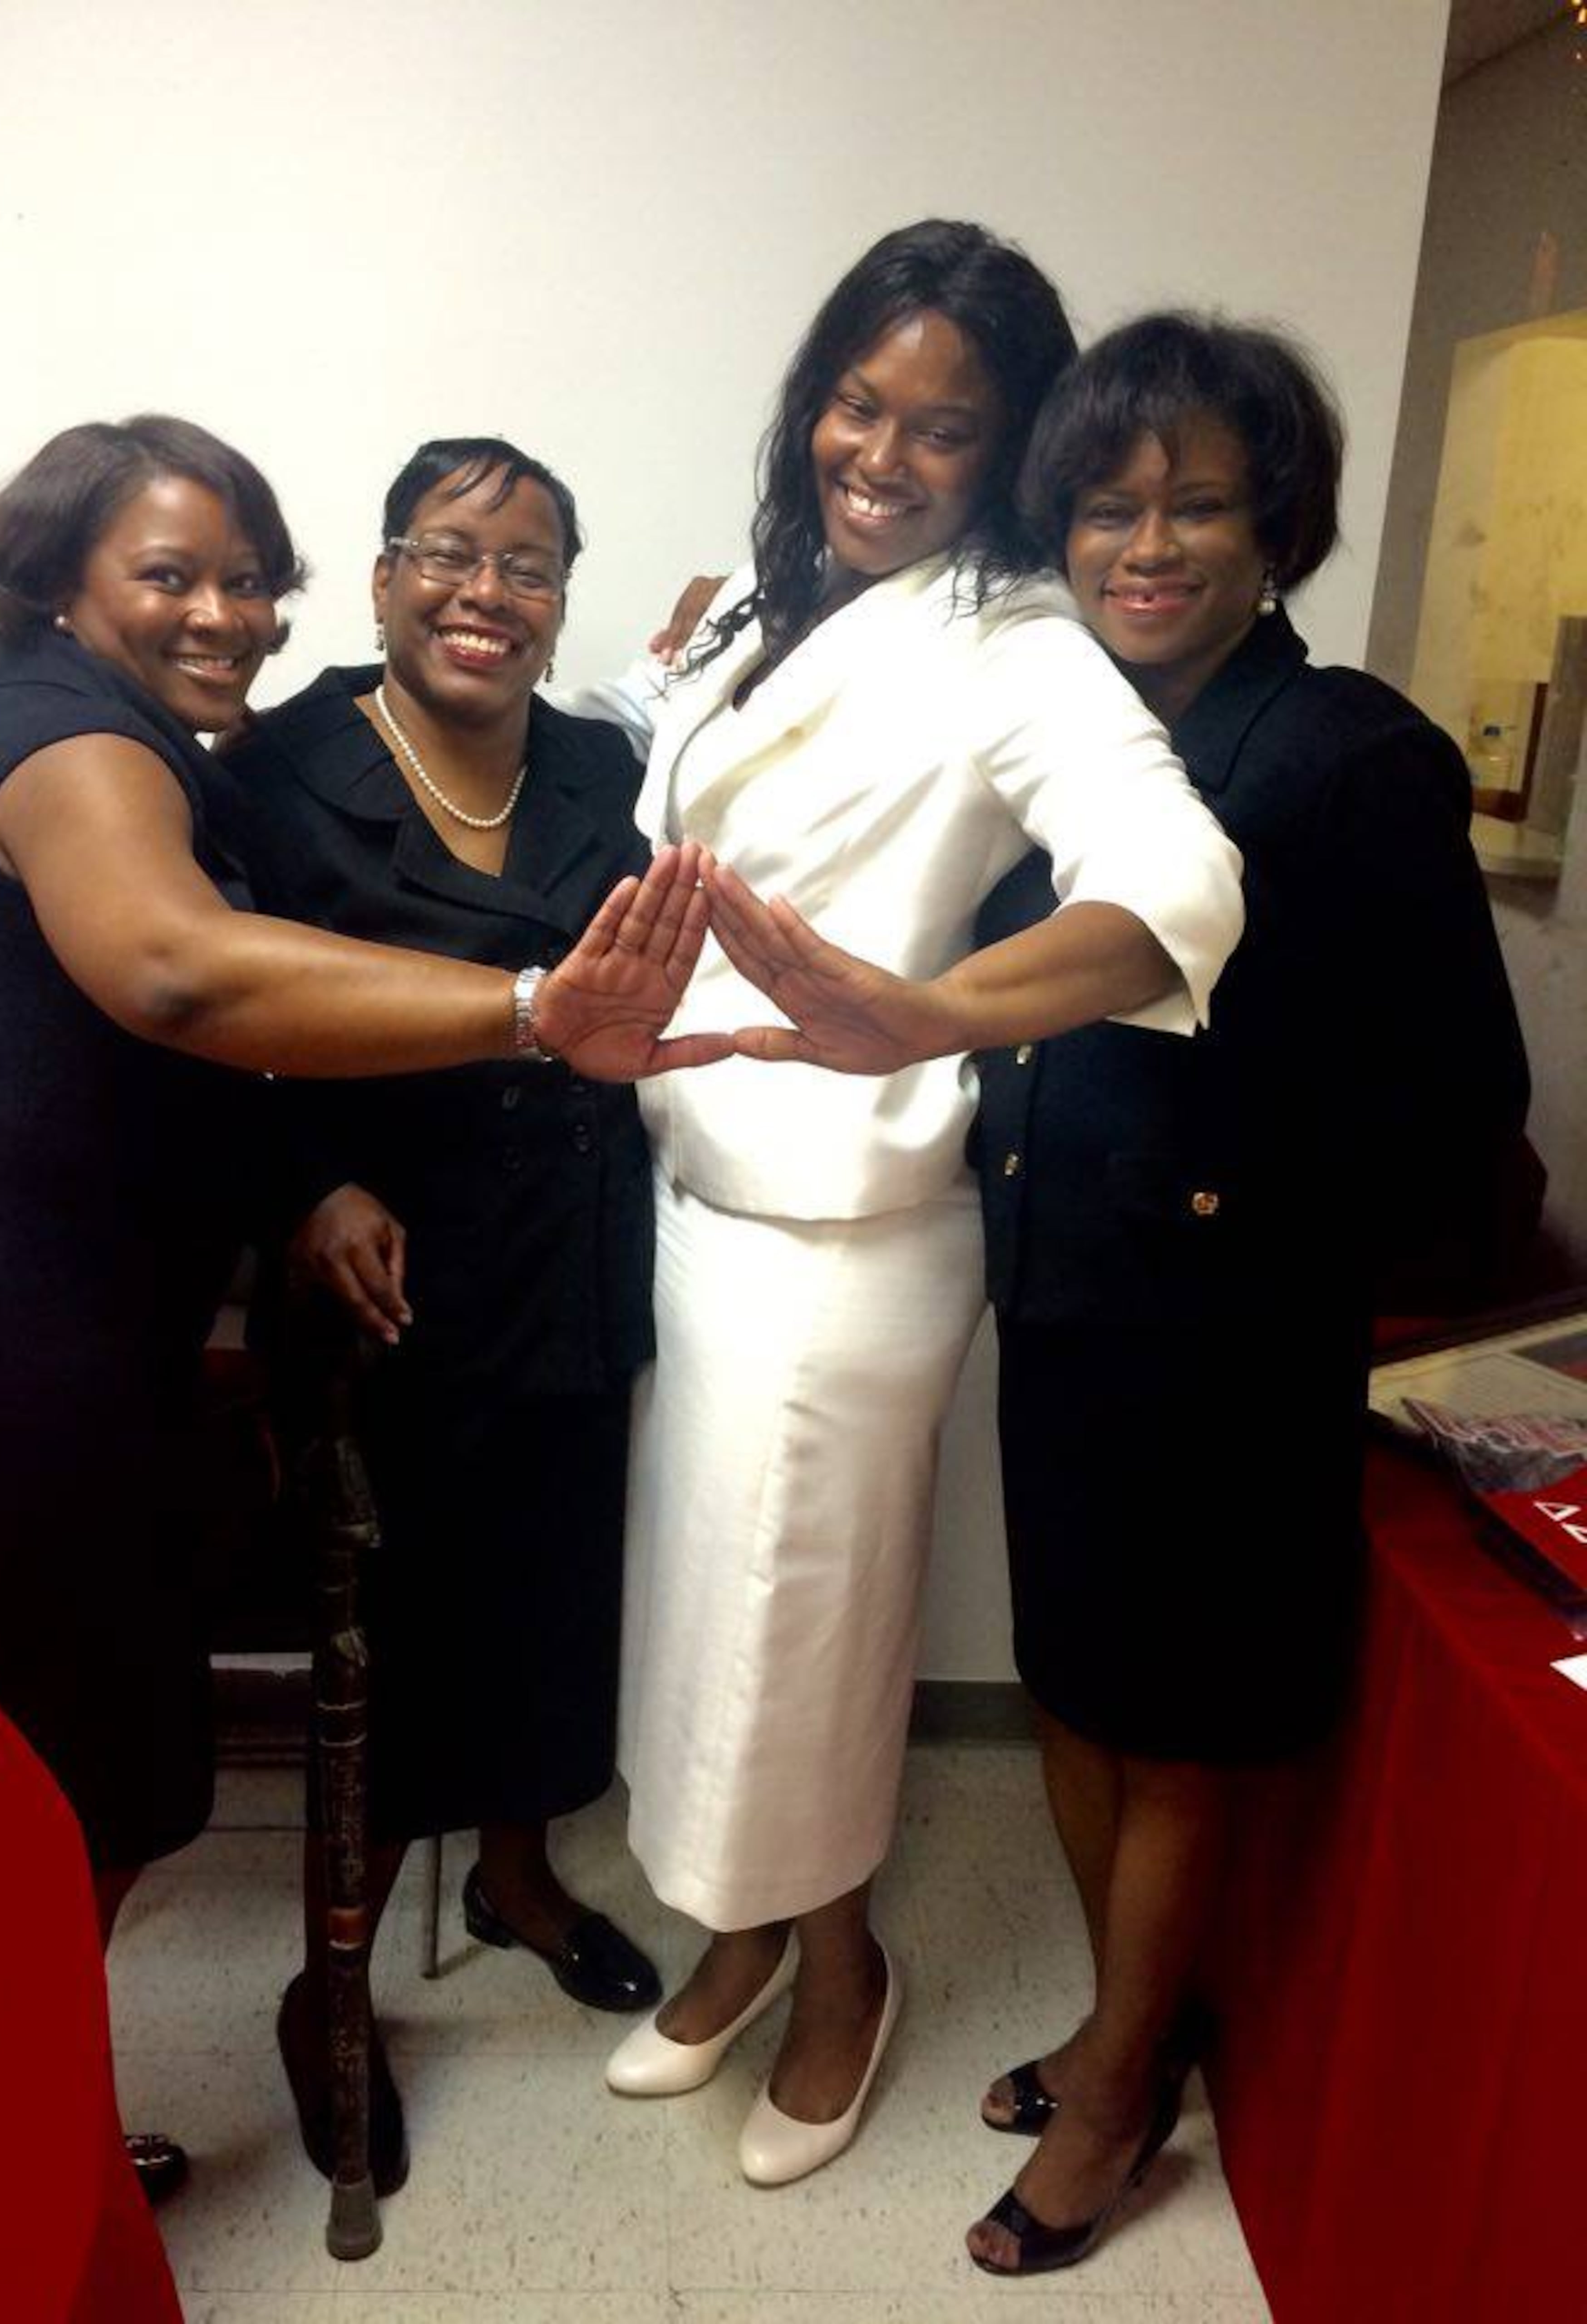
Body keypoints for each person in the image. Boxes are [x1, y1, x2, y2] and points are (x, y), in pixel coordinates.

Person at [0, 415, 724, 2194]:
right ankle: (2, 2163)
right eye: (170, 573)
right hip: (18, 1352)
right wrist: (528, 1009)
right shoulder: (86, 749)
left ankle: (28, 2138)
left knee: (76, 1791)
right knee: (48, 1801)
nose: (225, 613)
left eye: (247, 576)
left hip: (108, 1337)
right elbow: (179, 970)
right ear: (58, 580)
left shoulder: (105, 727)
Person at [592, 220, 1244, 2188]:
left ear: (1009, 449)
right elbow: (696, 783)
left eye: (941, 429)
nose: (878, 452)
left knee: (800, 1634)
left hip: (849, 1238)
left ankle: (844, 1968)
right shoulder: (764, 610)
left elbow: (1176, 879)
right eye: (856, 404)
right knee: (706, 1618)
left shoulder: (1019, 645)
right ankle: (737, 1934)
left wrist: (931, 1007)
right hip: (700, 1205)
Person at [960, 314, 1529, 2275]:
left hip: (1220, 1333)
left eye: (1200, 501)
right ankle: (1142, 2016)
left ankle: (1122, 2095)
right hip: (1056, 1298)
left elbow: (1463, 1098)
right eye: (1112, 504)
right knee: (1071, 1686)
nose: (1151, 541)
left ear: (1275, 524)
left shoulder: (1350, 750)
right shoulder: (1060, 728)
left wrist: (1251, 1219)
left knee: (1181, 1726)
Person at [206, 436, 664, 2197]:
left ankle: (522, 1874)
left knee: (552, 1597)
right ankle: (330, 1980)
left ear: (562, 599)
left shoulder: (609, 763)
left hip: (569, 1244)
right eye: (452, 552)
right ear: (387, 577)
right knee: (382, 1637)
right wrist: (309, 1180)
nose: (490, 589)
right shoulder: (276, 766)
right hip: (379, 1269)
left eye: (531, 561)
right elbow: (219, 1013)